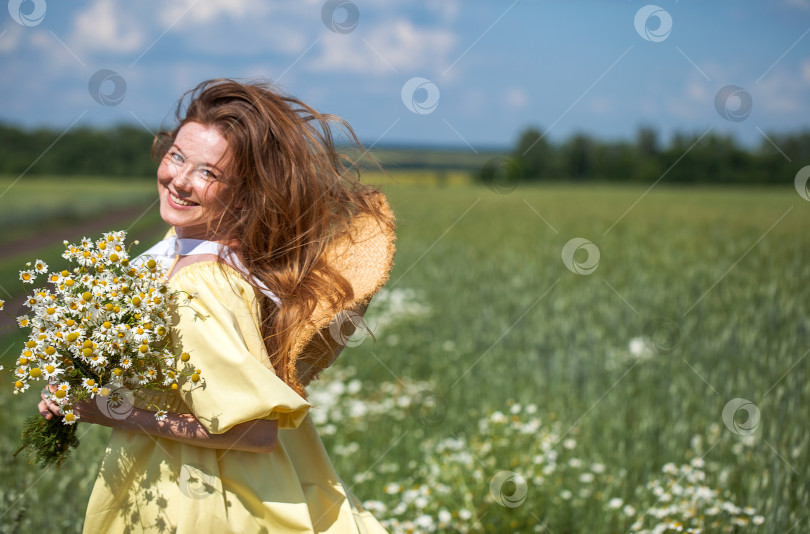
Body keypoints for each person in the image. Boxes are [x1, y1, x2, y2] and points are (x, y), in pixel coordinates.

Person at [37, 78, 397, 533]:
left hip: (206, 502)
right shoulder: (186, 247)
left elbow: (255, 431)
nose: (180, 180)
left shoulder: (202, 285)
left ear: (244, 193)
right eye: (177, 156)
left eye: (209, 173)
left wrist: (109, 410)